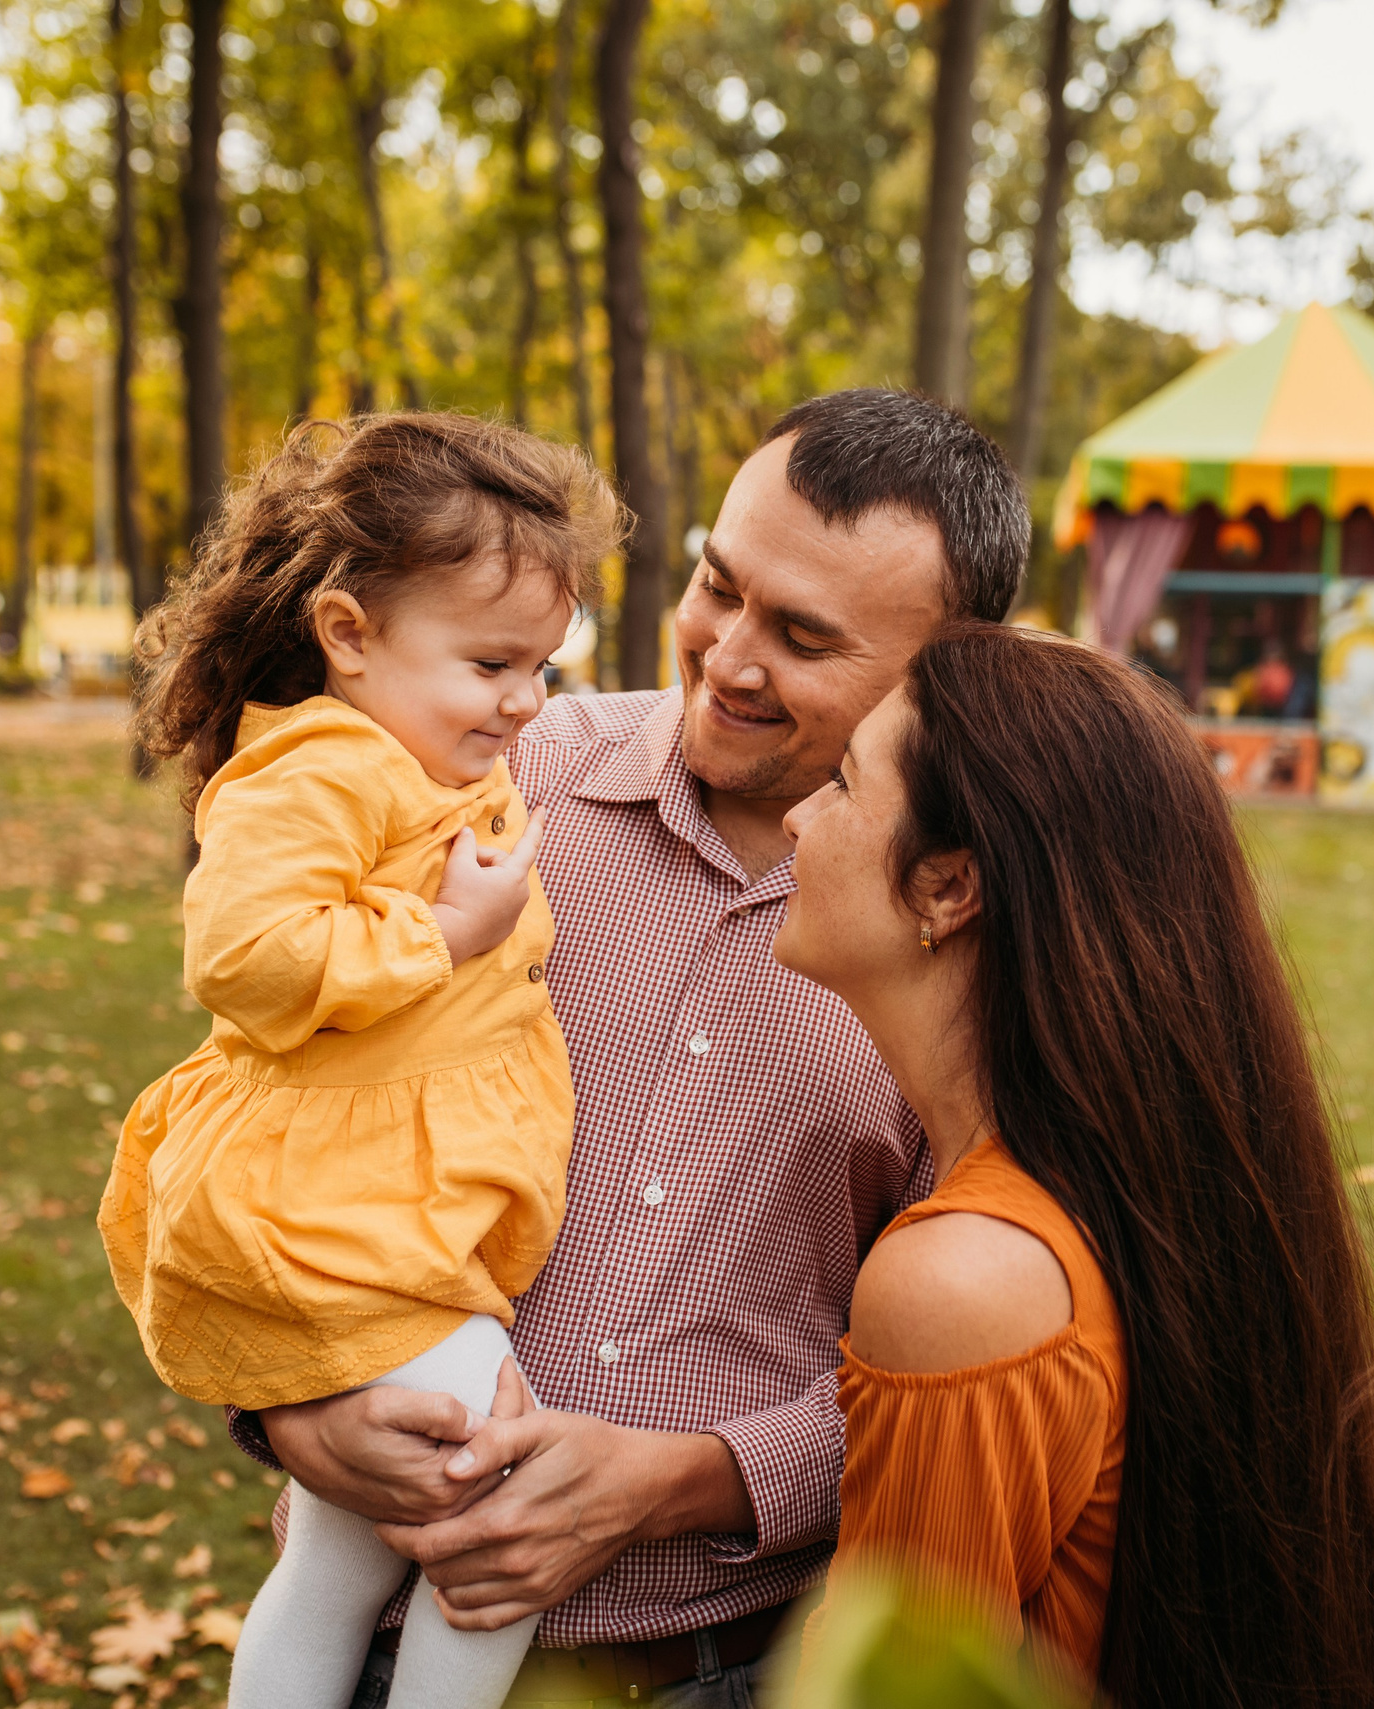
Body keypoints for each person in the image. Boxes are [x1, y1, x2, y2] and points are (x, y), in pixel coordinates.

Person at [229, 390, 1034, 1707]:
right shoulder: (485, 780)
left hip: (711, 1672)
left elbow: (954, 1374)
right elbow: (267, 1111)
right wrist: (290, 1406)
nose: (728, 657)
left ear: (943, 670)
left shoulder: (956, 949)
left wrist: (682, 1480)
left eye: (804, 636)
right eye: (720, 585)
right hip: (365, 1651)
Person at [773, 622, 1374, 1708]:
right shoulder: (1116, 1192)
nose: (798, 815)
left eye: (842, 782)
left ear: (948, 886)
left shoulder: (963, 1283)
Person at [98, 413, 622, 1709]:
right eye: (491, 662)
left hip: (390, 1208)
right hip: (337, 1211)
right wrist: (443, 933)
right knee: (503, 1513)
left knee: (337, 1561)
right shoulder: (322, 771)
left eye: (542, 665)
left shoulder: (418, 758)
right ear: (349, 632)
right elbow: (243, 953)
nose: (526, 700)